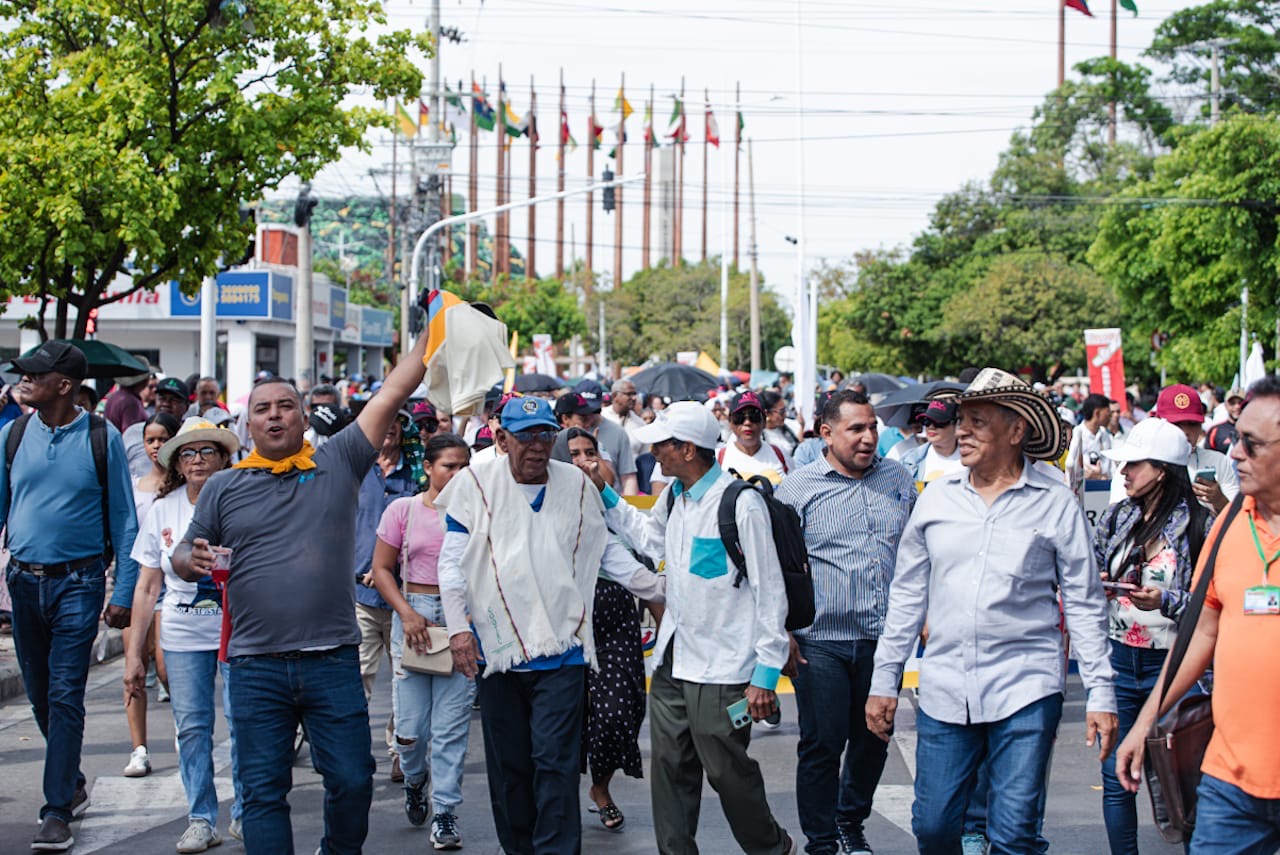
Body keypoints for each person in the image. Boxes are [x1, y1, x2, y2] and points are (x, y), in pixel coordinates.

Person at [170, 332, 432, 855]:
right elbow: (181, 554)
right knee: (263, 793)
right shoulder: (225, 485)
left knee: (354, 780)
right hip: (254, 666)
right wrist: (190, 559)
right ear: (247, 424)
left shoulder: (338, 461)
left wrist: (435, 325)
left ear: (303, 417)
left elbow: (392, 392)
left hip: (332, 660)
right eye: (262, 409)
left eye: (285, 406)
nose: (274, 416)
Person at [866, 367, 1118, 854]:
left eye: (978, 421)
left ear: (1016, 430)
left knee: (1013, 833)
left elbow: (1085, 604)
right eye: (962, 420)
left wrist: (1100, 694)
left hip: (1026, 688)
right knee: (935, 825)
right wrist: (884, 683)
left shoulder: (1054, 504)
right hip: (945, 690)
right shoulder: (936, 499)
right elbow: (906, 596)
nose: (961, 431)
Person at [435, 396, 664, 855]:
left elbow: (605, 551)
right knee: (511, 767)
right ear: (502, 439)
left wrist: (659, 590)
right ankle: (520, 847)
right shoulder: (475, 485)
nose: (538, 446)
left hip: (564, 651)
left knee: (555, 763)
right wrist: (459, 630)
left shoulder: (576, 485)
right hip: (498, 652)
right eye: (526, 436)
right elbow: (452, 563)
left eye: (545, 435)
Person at [596, 401, 798, 855]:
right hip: (674, 661)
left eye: (662, 446)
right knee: (669, 770)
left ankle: (771, 847)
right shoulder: (675, 497)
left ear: (687, 449)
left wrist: (765, 676)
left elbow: (770, 590)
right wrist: (607, 495)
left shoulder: (739, 504)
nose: (656, 455)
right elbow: (649, 537)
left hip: (726, 671)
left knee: (728, 770)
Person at [1114, 377, 1280, 851]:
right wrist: (1145, 724)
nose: (1234, 454)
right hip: (1230, 782)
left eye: (1251, 442)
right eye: (1234, 438)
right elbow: (1198, 636)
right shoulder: (1227, 526)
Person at [1, 340, 139, 852]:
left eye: (34, 375)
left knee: (63, 694)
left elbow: (126, 524)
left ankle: (56, 808)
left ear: (64, 386)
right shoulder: (14, 435)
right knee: (40, 694)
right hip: (22, 581)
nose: (23, 381)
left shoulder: (102, 438)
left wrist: (123, 590)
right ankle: (72, 781)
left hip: (79, 584)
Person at [774, 390, 917, 855]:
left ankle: (849, 822)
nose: (869, 437)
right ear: (826, 433)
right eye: (856, 428)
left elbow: (919, 554)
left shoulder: (898, 479)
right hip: (821, 641)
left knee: (874, 737)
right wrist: (782, 633)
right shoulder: (796, 489)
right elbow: (774, 565)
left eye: (872, 426)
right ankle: (821, 841)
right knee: (822, 743)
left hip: (883, 639)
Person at [1091, 417, 1213, 855]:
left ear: (1161, 469)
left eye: (1133, 465)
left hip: (1178, 669)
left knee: (1181, 780)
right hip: (1120, 660)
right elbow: (1091, 572)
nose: (1123, 473)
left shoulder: (1201, 525)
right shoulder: (1117, 517)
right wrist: (1102, 584)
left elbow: (1208, 604)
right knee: (1115, 777)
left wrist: (1165, 599)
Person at [124, 417, 243, 852]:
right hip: (181, 633)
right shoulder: (163, 508)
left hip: (239, 631)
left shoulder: (242, 501)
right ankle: (201, 818)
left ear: (223, 458)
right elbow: (147, 585)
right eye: (188, 453)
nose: (197, 460)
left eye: (207, 451)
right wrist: (135, 653)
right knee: (192, 728)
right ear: (176, 463)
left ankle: (247, 813)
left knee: (244, 722)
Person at [372, 432, 474, 849]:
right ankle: (415, 780)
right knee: (411, 729)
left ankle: (446, 812)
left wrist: (469, 620)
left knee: (451, 729)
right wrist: (407, 613)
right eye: (449, 465)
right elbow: (380, 569)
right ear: (428, 468)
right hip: (413, 614)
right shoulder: (404, 510)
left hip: (462, 622)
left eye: (465, 466)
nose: (458, 474)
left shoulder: (479, 512)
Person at [565, 427, 651, 834]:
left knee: (619, 711)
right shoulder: (543, 506)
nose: (584, 460)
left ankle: (600, 787)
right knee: (565, 718)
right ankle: (561, 796)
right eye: (574, 454)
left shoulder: (612, 510)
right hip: (565, 622)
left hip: (615, 617)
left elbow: (642, 570)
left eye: (590, 452)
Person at [353, 410, 420, 784]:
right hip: (359, 593)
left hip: (403, 598)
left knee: (404, 677)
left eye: (397, 423)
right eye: (386, 422)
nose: (390, 429)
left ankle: (400, 751)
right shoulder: (356, 472)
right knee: (357, 677)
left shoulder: (417, 475)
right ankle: (356, 752)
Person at [122, 412, 182, 778]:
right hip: (135, 585)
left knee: (165, 666)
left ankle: (183, 727)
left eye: (162, 439)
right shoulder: (132, 486)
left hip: (172, 586)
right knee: (134, 668)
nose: (156, 446)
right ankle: (139, 749)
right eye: (150, 440)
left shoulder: (183, 488)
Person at [1151, 383, 1238, 512]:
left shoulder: (1218, 461)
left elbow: (1239, 519)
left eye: (1192, 424)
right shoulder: (1139, 465)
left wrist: (1219, 500)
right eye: (1176, 424)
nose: (1185, 431)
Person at [550, 390, 639, 495]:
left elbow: (609, 482)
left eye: (590, 415)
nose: (588, 422)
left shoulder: (592, 441)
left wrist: (595, 451)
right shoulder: (551, 443)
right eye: (582, 418)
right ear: (565, 419)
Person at [719, 390, 796, 486]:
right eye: (739, 417)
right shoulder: (718, 458)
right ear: (730, 422)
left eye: (754, 416)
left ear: (764, 421)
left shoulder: (780, 455)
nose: (747, 423)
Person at [126, 376, 189, 477]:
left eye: (174, 400)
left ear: (186, 407)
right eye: (162, 398)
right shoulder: (133, 432)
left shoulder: (190, 434)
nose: (166, 404)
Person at [901, 398, 964, 485]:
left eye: (939, 422)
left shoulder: (973, 460)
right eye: (926, 421)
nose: (931, 427)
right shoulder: (910, 460)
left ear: (956, 424)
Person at [1065, 393, 1115, 490]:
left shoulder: (1105, 436)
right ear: (1097, 413)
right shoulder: (1077, 433)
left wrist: (1099, 475)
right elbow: (1071, 466)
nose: (1110, 415)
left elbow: (1108, 470)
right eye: (1108, 411)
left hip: (1102, 490)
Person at [601, 378, 645, 457]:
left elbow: (644, 456)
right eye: (629, 394)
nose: (634, 398)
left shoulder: (640, 424)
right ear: (615, 396)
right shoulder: (601, 417)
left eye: (634, 394)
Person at [1205, 387, 1245, 453]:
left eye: (1240, 403)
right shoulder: (1215, 430)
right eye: (1232, 403)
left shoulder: (1254, 429)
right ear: (1226, 405)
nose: (1237, 406)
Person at [762, 390, 801, 455]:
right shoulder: (759, 437)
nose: (785, 415)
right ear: (767, 413)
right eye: (781, 412)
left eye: (785, 410)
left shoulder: (790, 426)